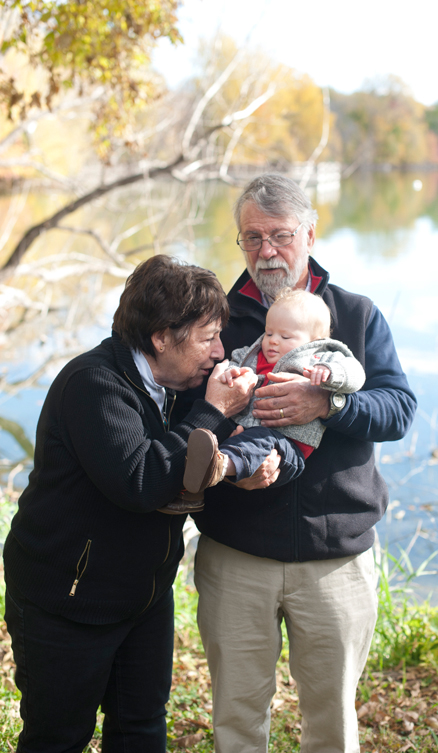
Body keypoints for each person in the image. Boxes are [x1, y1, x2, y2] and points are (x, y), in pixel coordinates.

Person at [178, 173, 417, 752]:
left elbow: (398, 409)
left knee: (331, 720)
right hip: (235, 552)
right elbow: (180, 413)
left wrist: (327, 404)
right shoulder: (215, 321)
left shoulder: (354, 318)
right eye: (251, 237)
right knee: (236, 714)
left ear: (310, 232)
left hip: (335, 557)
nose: (266, 251)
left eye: (280, 235)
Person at [2, 255, 265, 752]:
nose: (220, 350)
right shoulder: (95, 385)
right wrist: (212, 412)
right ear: (162, 336)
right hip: (69, 600)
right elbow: (142, 481)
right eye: (207, 337)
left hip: (142, 596)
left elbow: (184, 464)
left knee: (142, 727)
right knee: (59, 736)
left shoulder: (170, 385)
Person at [182, 288, 365, 497]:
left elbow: (355, 373)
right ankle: (192, 483)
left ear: (314, 342)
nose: (273, 340)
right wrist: (230, 372)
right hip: (244, 427)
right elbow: (235, 360)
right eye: (269, 333)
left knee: (258, 443)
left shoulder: (320, 357)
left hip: (287, 443)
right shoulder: (254, 353)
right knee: (223, 435)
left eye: (285, 336)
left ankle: (218, 467)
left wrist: (330, 373)